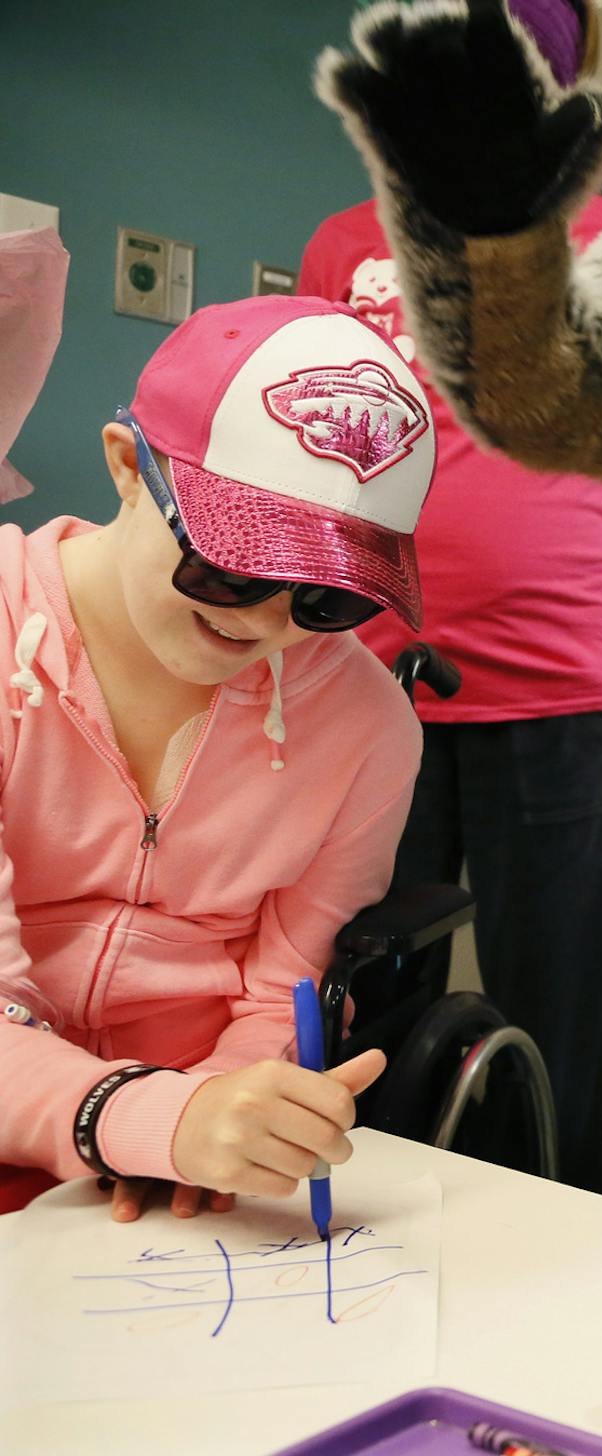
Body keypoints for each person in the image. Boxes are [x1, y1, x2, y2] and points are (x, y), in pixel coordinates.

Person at [299, 191, 602, 1193]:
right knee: (367, 1007)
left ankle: (561, 1265)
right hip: (368, 690)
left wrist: (581, 624)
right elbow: (307, 456)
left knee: (554, 1017)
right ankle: (362, 1245)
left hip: (554, 702)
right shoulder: (344, 240)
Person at [0, 295, 431, 1221]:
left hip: (191, 1168)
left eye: (328, 601)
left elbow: (289, 992)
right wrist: (142, 1114)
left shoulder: (366, 727)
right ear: (126, 467)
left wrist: (231, 1110)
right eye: (231, 565)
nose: (266, 624)